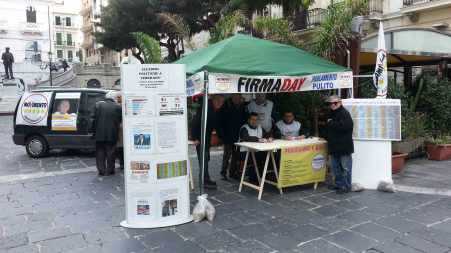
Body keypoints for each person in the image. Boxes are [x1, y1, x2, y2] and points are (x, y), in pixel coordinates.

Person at [191, 95, 225, 189]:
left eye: (222, 102)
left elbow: (216, 124)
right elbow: (195, 122)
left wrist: (221, 136)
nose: (220, 103)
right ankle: (205, 180)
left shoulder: (212, 108)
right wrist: (195, 138)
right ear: (213, 99)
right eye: (218, 100)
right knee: (203, 160)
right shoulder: (206, 108)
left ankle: (205, 178)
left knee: (206, 159)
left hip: (206, 137)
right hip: (200, 138)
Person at [326, 95, 354, 194]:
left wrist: (331, 123)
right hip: (334, 146)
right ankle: (338, 185)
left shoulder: (344, 113)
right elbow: (330, 128)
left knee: (345, 168)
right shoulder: (331, 113)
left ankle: (346, 186)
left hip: (344, 146)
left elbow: (346, 127)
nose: (332, 105)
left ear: (340, 103)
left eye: (335, 103)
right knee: (335, 168)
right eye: (330, 103)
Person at [218, 94, 248, 180]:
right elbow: (220, 120)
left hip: (238, 135)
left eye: (239, 97)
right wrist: (221, 134)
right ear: (232, 97)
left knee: (236, 155)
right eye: (235, 97)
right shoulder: (226, 105)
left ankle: (232, 172)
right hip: (227, 135)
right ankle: (223, 173)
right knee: (227, 155)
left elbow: (245, 118)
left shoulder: (242, 106)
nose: (237, 99)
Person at [92, 91, 122, 176]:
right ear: (114, 98)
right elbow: (120, 120)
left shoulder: (98, 105)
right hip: (112, 133)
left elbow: (93, 119)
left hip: (99, 133)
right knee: (111, 152)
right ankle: (110, 170)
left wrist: (93, 131)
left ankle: (101, 170)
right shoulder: (118, 107)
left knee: (100, 152)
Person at [239, 112, 271, 183]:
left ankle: (263, 177)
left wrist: (269, 137)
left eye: (256, 120)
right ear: (248, 120)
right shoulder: (244, 128)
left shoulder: (260, 127)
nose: (254, 121)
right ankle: (254, 179)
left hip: (257, 151)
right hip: (245, 152)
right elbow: (246, 138)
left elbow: (266, 135)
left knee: (269, 156)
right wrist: (258, 139)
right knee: (257, 158)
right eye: (252, 119)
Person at [115, 93, 124, 170]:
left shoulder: (118, 106)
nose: (118, 98)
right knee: (121, 147)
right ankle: (122, 163)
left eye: (119, 97)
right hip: (121, 127)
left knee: (120, 147)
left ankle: (122, 163)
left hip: (120, 127)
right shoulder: (120, 105)